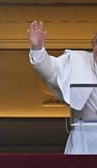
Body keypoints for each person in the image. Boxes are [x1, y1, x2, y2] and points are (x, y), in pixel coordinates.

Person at [27, 20, 97, 154]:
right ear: (93, 46)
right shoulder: (77, 60)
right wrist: (37, 49)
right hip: (83, 140)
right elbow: (51, 71)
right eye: (96, 43)